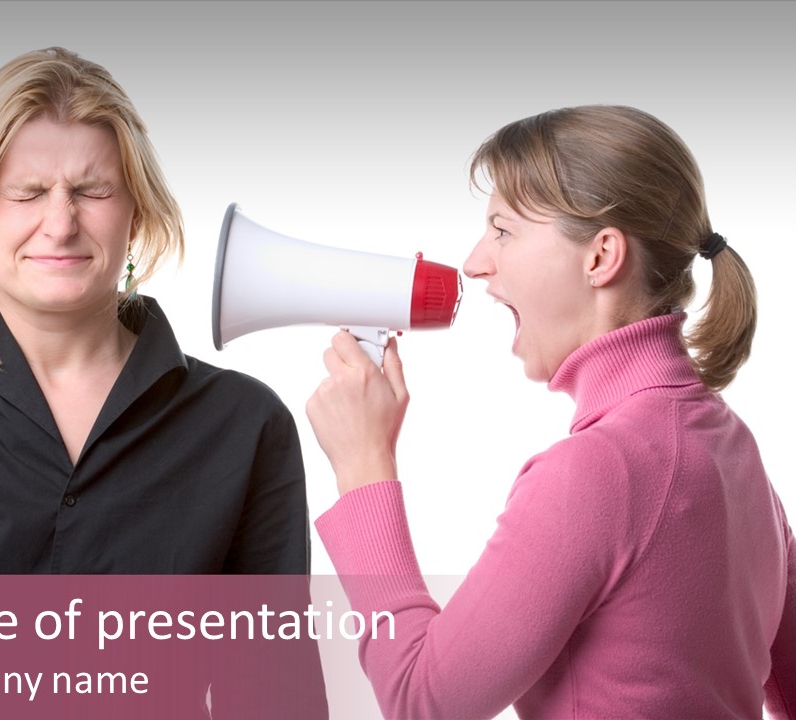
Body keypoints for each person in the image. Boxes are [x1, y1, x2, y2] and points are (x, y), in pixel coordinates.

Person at [306, 105, 795, 717]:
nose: (474, 261)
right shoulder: (733, 447)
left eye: (503, 231)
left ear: (599, 258)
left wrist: (363, 467)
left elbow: (421, 698)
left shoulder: (597, 472)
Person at [0, 47, 313, 576]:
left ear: (135, 216)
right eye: (28, 194)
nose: (60, 225)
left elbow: (274, 659)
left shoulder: (246, 425)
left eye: (92, 191)